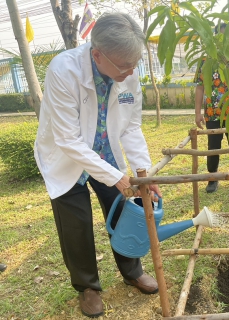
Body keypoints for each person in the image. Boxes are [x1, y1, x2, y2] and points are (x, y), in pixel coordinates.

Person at [34, 13, 161, 318]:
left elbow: (131, 127)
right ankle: (88, 287)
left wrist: (143, 175)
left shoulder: (127, 71)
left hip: (106, 154)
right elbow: (68, 139)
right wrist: (118, 177)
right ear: (96, 54)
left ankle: (132, 271)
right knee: (75, 226)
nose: (130, 72)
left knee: (125, 211)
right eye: (123, 66)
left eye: (135, 64)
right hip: (67, 157)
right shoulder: (64, 70)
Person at [194, 23, 229, 193]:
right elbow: (200, 87)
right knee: (213, 147)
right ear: (215, 37)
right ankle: (213, 178)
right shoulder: (205, 61)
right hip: (213, 113)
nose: (226, 40)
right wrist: (197, 113)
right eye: (222, 36)